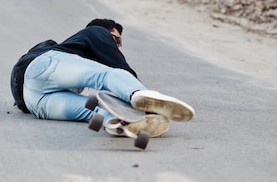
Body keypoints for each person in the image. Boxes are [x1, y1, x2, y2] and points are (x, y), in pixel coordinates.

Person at [10, 19, 195, 137]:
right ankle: (139, 94)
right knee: (106, 76)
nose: (119, 47)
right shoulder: (96, 32)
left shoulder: (74, 64)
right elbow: (119, 69)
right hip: (43, 67)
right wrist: (140, 95)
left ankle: (122, 124)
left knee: (94, 111)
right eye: (117, 40)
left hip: (34, 102)